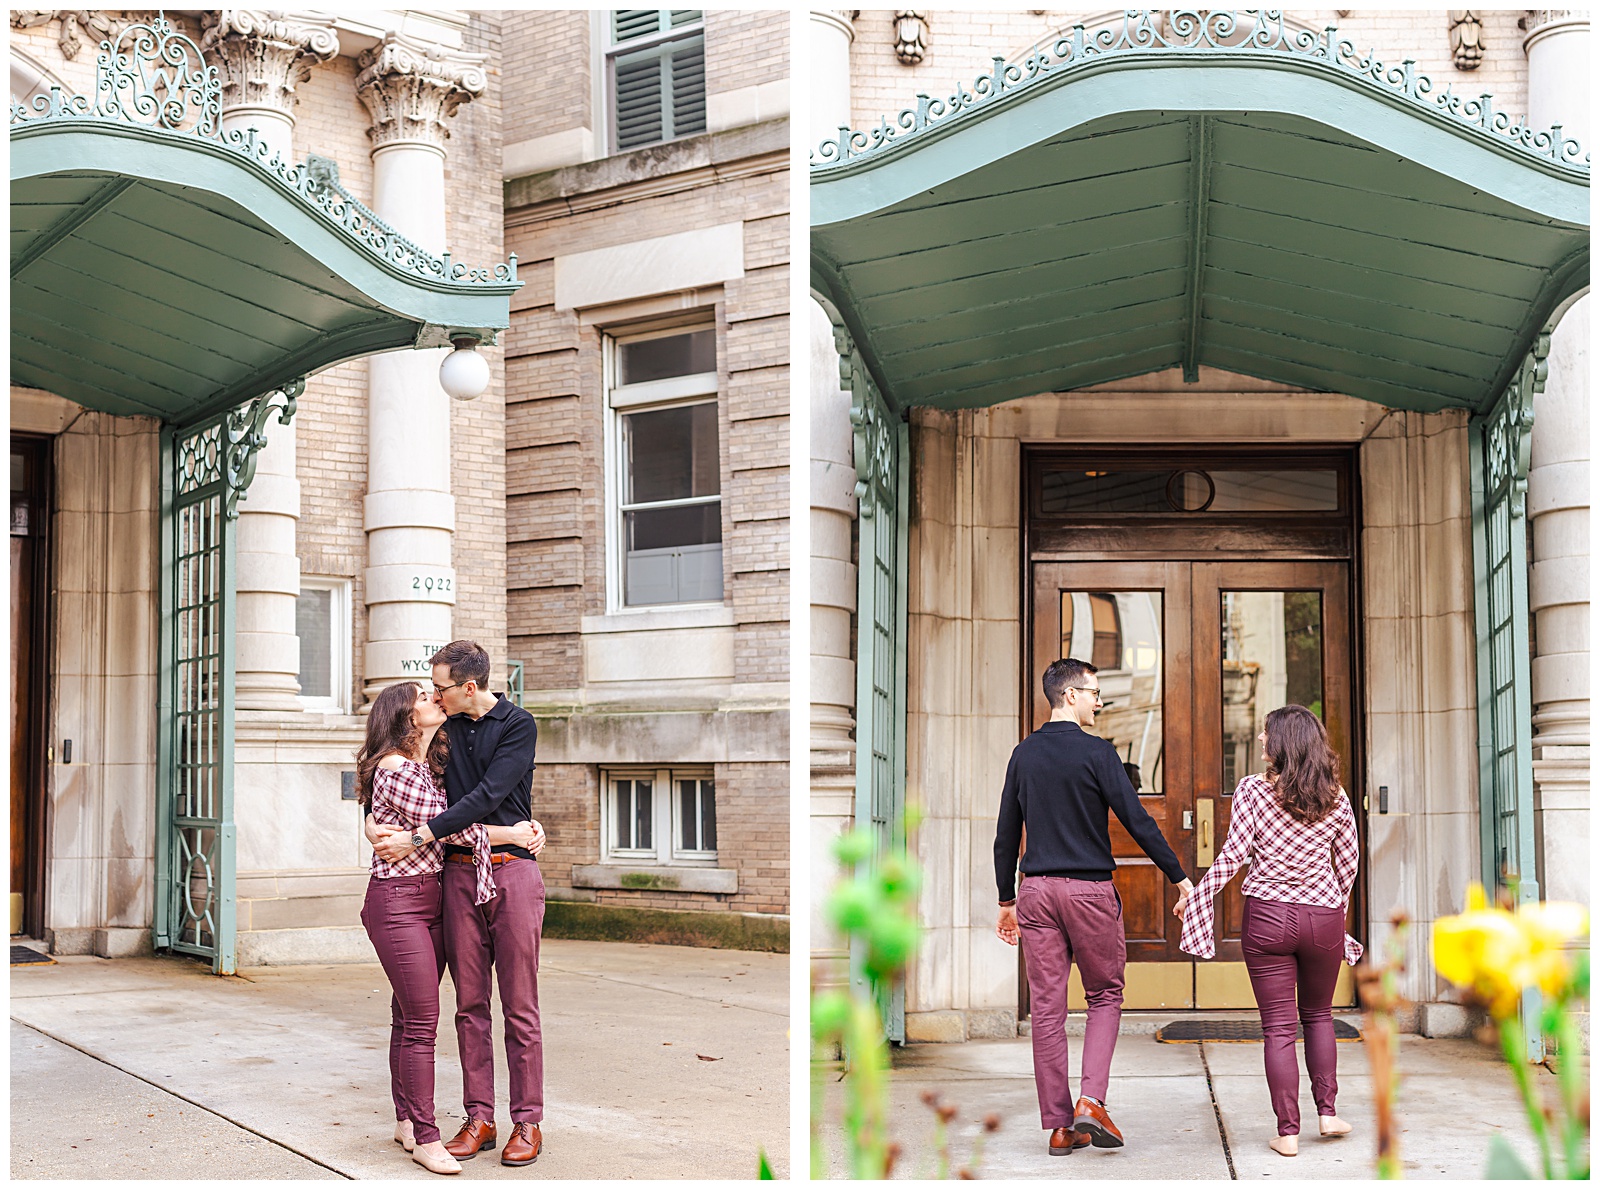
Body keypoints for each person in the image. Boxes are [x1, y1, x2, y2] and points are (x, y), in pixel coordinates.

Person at [994, 657, 1195, 1156]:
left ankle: (1061, 1128)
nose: (1099, 703)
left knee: (1046, 1008)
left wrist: (1006, 900)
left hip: (1036, 891)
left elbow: (1004, 836)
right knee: (1104, 995)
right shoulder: (1098, 754)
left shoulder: (1023, 754)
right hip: (1088, 892)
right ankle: (1091, 1102)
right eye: (1095, 694)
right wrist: (1179, 877)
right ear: (1069, 696)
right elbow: (1138, 820)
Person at [368, 641, 546, 1168]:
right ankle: (479, 1118)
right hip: (457, 875)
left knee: (519, 1005)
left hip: (512, 873)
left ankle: (528, 1122)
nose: (434, 694)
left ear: (469, 687)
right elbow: (403, 776)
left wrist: (421, 834)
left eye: (439, 686)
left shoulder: (517, 725)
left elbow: (486, 795)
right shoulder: (440, 731)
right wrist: (376, 820)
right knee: (470, 1007)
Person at [1176, 704, 1361, 1157]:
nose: (1260, 740)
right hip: (1323, 919)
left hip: (1268, 918)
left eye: (1265, 734)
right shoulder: (1334, 795)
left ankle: (1288, 1132)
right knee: (1318, 1016)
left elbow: (1233, 854)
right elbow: (1351, 860)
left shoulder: (1253, 791)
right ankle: (1328, 1112)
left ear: (1283, 743)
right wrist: (1334, 902)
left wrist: (1196, 896)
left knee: (1278, 1027)